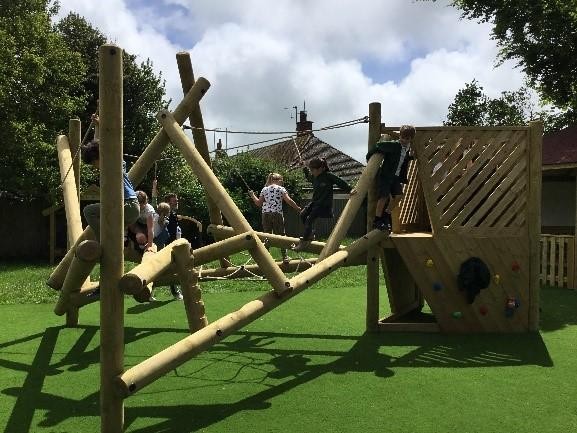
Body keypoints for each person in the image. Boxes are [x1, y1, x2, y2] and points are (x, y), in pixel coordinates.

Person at [81, 121, 140, 242]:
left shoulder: (112, 166)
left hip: (127, 205)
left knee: (89, 211)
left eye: (93, 162)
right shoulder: (114, 164)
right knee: (107, 223)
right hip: (131, 207)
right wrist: (97, 126)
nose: (94, 166)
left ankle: (102, 240)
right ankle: (110, 240)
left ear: (99, 158)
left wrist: (101, 126)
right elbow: (97, 145)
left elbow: (102, 147)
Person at [294, 158, 356, 251]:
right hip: (315, 202)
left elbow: (340, 182)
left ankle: (305, 241)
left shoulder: (328, 176)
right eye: (311, 170)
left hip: (323, 204)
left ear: (321, 168)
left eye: (313, 170)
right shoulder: (315, 177)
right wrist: (304, 168)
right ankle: (310, 234)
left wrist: (350, 189)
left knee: (309, 219)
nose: (312, 172)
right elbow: (308, 177)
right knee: (303, 214)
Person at [367, 125, 416, 232]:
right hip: (386, 175)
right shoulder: (394, 145)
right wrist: (369, 158)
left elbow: (403, 158)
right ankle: (377, 219)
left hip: (396, 177)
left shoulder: (407, 147)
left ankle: (386, 214)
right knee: (383, 197)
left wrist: (410, 157)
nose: (404, 140)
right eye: (402, 137)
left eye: (407, 138)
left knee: (399, 196)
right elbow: (378, 146)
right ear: (400, 136)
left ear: (411, 139)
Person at [249, 172, 301, 264]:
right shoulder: (281, 189)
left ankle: (265, 258)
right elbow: (288, 200)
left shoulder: (265, 189)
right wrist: (297, 208)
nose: (282, 182)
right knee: (281, 235)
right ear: (277, 180)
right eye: (281, 180)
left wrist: (252, 195)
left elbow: (259, 203)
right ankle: (285, 257)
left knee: (267, 236)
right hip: (277, 214)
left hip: (265, 214)